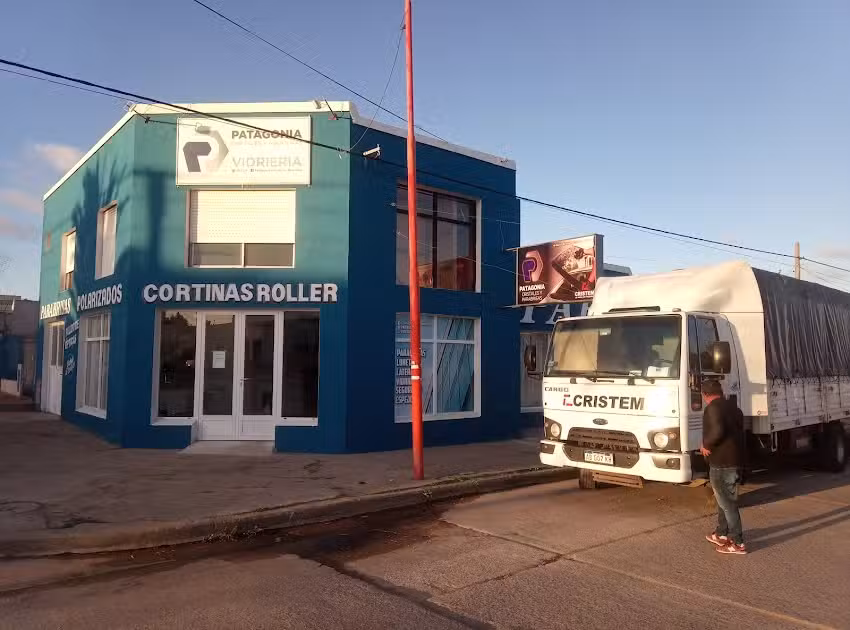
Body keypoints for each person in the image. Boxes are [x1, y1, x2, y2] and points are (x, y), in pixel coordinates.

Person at [700, 379, 747, 555]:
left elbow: (718, 431)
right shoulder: (734, 408)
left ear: (705, 395)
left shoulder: (712, 408)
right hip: (735, 460)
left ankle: (737, 542)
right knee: (724, 500)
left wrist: (706, 445)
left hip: (721, 462)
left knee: (727, 503)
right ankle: (721, 533)